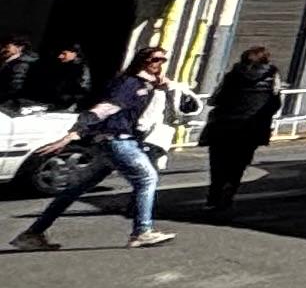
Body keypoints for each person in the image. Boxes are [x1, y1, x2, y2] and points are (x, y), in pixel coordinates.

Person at [11, 49, 174, 250]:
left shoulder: (145, 85)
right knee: (147, 178)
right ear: (143, 61)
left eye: (163, 60)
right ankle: (142, 232)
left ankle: (33, 233)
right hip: (118, 141)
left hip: (109, 144)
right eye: (155, 59)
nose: (159, 63)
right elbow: (105, 108)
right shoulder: (130, 83)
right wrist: (75, 132)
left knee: (75, 189)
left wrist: (161, 86)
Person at [199, 46, 282, 221]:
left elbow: (215, 99)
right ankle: (227, 196)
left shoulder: (232, 75)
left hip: (223, 125)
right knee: (239, 165)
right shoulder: (272, 76)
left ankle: (213, 197)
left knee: (218, 163)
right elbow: (275, 103)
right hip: (251, 128)